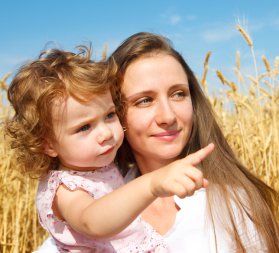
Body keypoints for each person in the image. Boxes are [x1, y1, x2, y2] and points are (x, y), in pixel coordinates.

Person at [37, 32, 279, 252]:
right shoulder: (91, 196)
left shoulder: (234, 204)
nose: (168, 116)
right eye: (144, 100)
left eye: (178, 94)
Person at [5, 46, 214, 252]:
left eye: (110, 115)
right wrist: (152, 184)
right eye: (84, 127)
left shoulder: (99, 168)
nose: (106, 133)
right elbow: (92, 222)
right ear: (48, 144)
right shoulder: (65, 189)